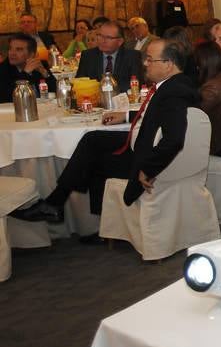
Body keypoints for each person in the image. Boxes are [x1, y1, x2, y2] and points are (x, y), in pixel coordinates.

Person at [11, 39, 200, 222]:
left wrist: (148, 168)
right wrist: (126, 116)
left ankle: (69, 210)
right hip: (143, 140)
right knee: (93, 139)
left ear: (169, 64)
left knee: (93, 158)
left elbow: (174, 139)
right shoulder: (174, 85)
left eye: (151, 59)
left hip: (145, 155)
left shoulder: (175, 93)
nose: (145, 63)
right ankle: (59, 204)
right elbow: (158, 112)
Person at [76, 21, 143, 93]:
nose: (103, 41)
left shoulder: (132, 56)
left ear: (120, 41)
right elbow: (80, 82)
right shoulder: (88, 56)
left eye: (108, 37)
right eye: (100, 36)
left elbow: (135, 84)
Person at [0, 33, 57, 103]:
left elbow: (55, 92)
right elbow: (7, 97)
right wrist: (25, 73)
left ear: (31, 54)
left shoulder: (39, 65)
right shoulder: (3, 69)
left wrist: (45, 74)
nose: (12, 53)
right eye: (10, 49)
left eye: (19, 49)